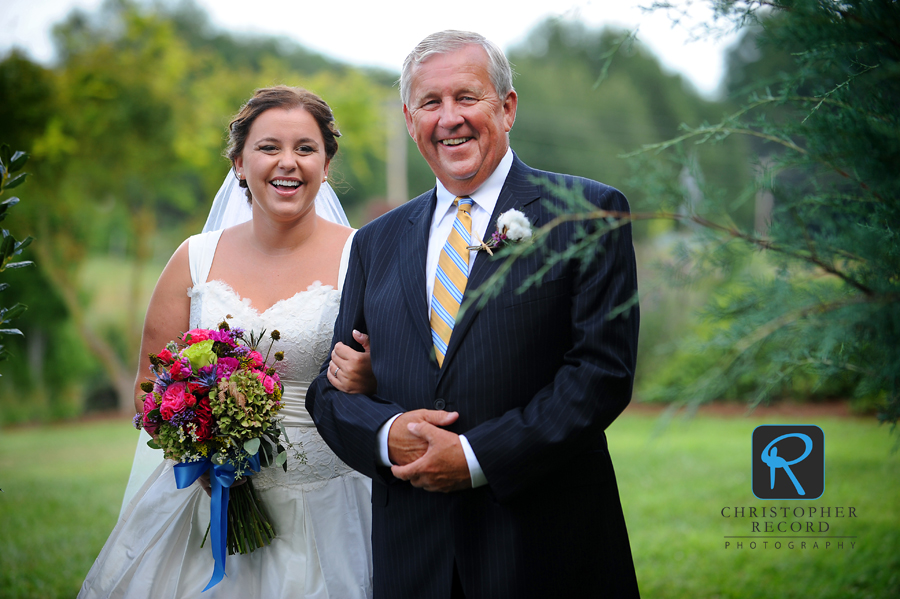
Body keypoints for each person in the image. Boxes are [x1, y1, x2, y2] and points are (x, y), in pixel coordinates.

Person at [307, 30, 641, 598]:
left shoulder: (587, 213)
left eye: (467, 97)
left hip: (543, 548)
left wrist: (474, 456)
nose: (450, 118)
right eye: (431, 104)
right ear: (411, 122)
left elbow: (599, 375)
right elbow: (332, 391)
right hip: (416, 554)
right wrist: (391, 434)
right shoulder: (375, 242)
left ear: (507, 108)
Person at [80, 86, 375, 598]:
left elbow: (402, 367)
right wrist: (198, 442)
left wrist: (370, 376)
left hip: (331, 501)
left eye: (306, 148)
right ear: (239, 162)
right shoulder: (194, 258)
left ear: (326, 164)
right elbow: (151, 387)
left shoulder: (363, 255)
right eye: (269, 147)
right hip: (207, 499)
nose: (289, 162)